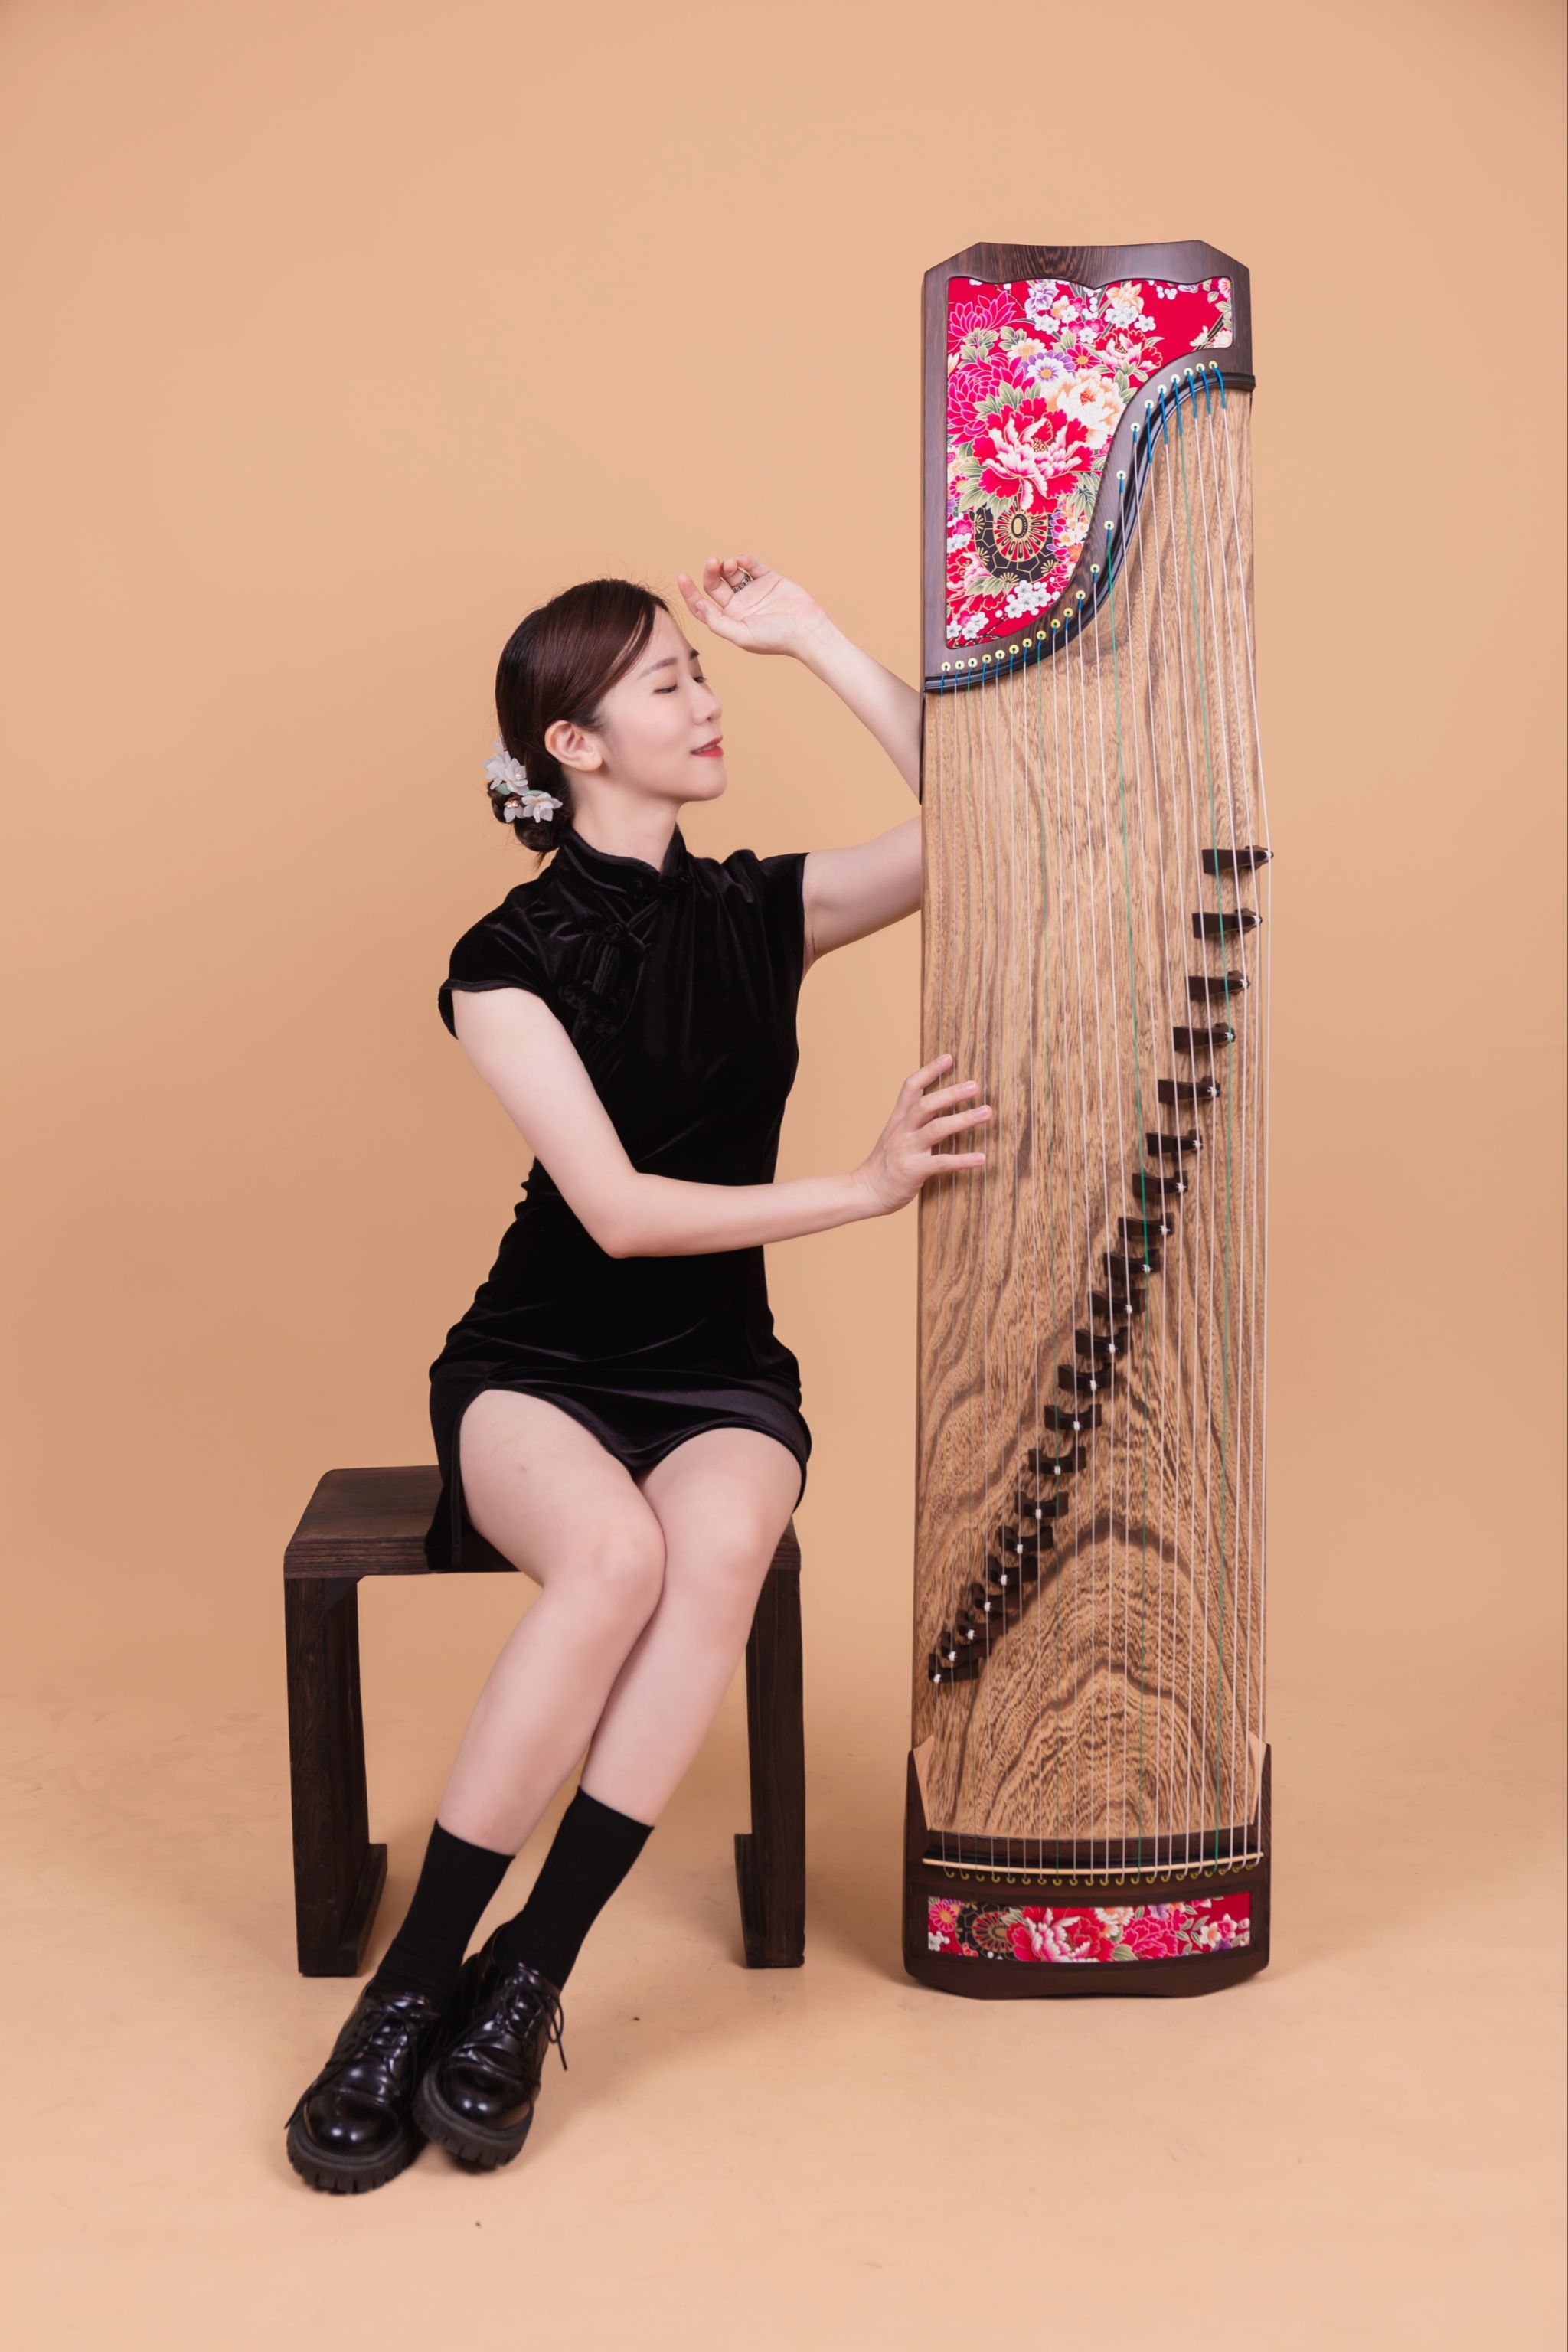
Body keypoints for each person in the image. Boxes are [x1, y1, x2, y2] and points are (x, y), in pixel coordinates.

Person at [285, 554, 991, 2192]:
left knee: (719, 1546)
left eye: (704, 671)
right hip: (538, 1362)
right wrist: (862, 1191)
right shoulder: (503, 958)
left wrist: (813, 637)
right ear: (574, 742)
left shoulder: (759, 912)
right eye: (670, 681)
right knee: (611, 1560)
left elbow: (991, 818)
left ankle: (528, 1974)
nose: (707, 699)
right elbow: (612, 1212)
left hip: (717, 1367)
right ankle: (408, 1992)